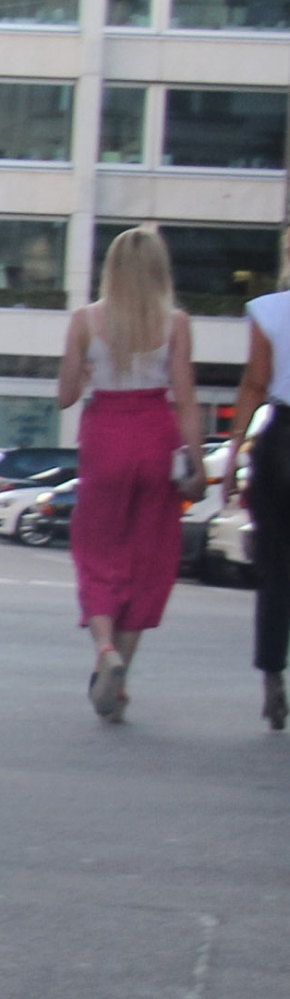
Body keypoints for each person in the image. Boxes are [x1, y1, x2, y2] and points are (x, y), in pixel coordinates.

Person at [57, 226, 199, 722]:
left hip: (106, 440)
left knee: (97, 552)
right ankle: (121, 682)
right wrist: (198, 465)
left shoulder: (85, 321)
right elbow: (185, 399)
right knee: (148, 557)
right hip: (156, 439)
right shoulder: (176, 324)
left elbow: (66, 396)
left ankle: (104, 652)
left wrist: (84, 368)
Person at [222, 231, 290, 731]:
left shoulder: (271, 312)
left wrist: (232, 457)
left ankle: (272, 675)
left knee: (275, 569)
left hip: (282, 443)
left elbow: (254, 384)